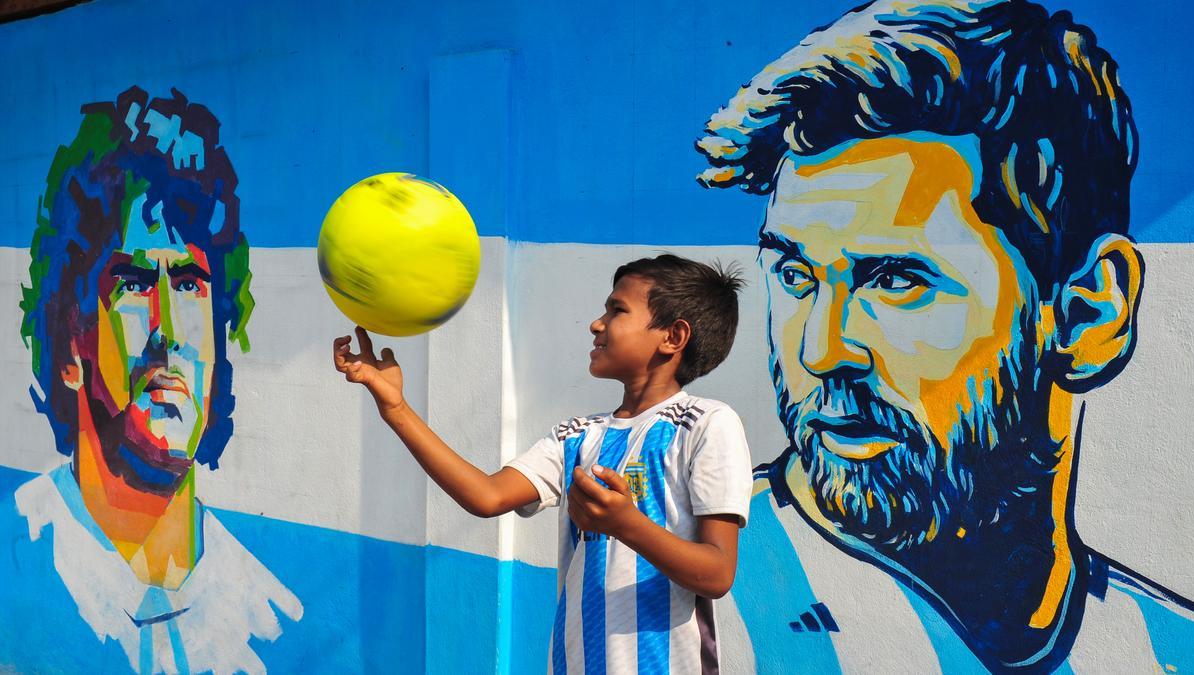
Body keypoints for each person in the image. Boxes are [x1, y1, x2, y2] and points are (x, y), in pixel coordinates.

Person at [695, 0, 1194, 672]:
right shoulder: (682, 609)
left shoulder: (1169, 651)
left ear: (1088, 315)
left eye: (897, 281)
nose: (823, 349)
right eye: (797, 275)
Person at [1, 86, 300, 674]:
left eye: (188, 285)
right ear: (70, 346)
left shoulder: (267, 620)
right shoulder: (19, 550)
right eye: (134, 286)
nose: (169, 331)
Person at [334, 253, 753, 672]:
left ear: (673, 337)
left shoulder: (706, 424)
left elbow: (716, 574)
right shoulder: (577, 435)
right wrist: (396, 408)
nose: (597, 323)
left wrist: (626, 524)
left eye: (617, 310)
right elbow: (486, 495)